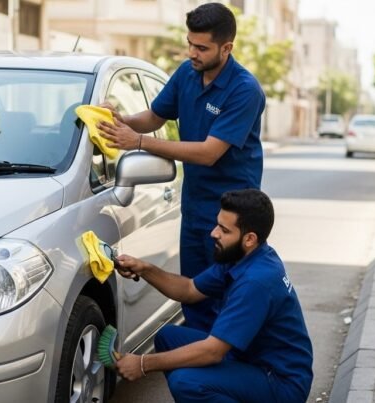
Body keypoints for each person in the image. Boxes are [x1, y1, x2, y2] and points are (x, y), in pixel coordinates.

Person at [98, 2, 266, 331]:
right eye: (190, 43)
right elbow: (153, 117)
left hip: (232, 215)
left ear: (227, 47)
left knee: (228, 302)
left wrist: (139, 142)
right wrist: (121, 121)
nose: (192, 53)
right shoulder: (187, 73)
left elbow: (209, 153)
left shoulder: (245, 90)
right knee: (193, 298)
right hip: (195, 208)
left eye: (202, 47)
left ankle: (226, 373)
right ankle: (199, 372)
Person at [113, 189, 313, 403]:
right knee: (168, 337)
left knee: (186, 382)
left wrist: (143, 364)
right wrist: (144, 269)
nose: (214, 233)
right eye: (218, 224)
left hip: (280, 383)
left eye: (224, 230)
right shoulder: (241, 257)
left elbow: (213, 352)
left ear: (249, 238)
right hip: (251, 359)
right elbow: (189, 290)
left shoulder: (256, 282)